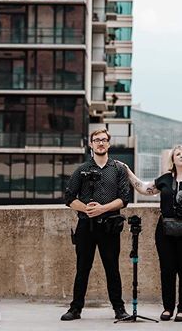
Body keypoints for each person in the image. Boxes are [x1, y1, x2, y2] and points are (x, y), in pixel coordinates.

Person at [120, 145, 182, 322]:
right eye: (178, 154)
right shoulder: (164, 180)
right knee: (167, 270)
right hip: (165, 232)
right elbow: (144, 189)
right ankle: (168, 308)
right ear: (172, 160)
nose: (181, 155)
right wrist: (127, 171)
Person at [61, 128, 131, 321]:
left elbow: (124, 199)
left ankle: (119, 309)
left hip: (109, 226)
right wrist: (86, 209)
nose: (100, 143)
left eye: (104, 140)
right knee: (82, 268)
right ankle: (75, 309)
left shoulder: (118, 169)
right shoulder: (81, 170)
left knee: (112, 269)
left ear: (108, 144)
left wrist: (103, 209)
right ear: (91, 144)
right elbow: (69, 198)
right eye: (96, 140)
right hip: (86, 227)